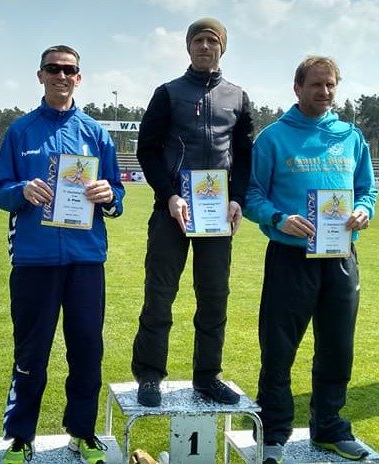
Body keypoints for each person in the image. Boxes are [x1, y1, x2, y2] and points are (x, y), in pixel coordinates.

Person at [0, 45, 125, 464]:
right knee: (31, 351)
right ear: (41, 75)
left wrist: (107, 194)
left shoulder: (96, 133)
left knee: (86, 348)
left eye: (70, 70)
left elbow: (117, 196)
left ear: (79, 78)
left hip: (86, 260)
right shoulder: (20, 131)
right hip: (34, 260)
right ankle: (19, 435)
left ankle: (81, 432)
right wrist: (21, 191)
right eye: (54, 69)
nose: (62, 76)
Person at [243, 56, 378, 463]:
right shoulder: (273, 138)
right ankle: (274, 432)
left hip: (340, 256)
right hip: (290, 258)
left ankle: (329, 428)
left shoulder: (351, 136)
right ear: (297, 88)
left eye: (331, 85)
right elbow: (251, 196)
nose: (325, 91)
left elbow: (366, 190)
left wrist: (364, 211)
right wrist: (279, 219)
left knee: (338, 346)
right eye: (316, 84)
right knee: (279, 348)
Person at [131, 17, 253, 407]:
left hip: (217, 213)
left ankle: (207, 376)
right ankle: (150, 376)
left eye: (212, 41)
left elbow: (246, 154)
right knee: (159, 295)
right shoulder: (168, 93)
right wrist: (168, 195)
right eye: (198, 40)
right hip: (173, 211)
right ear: (188, 47)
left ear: (222, 48)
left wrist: (237, 199)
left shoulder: (238, 96)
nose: (205, 46)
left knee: (215, 297)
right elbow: (147, 150)